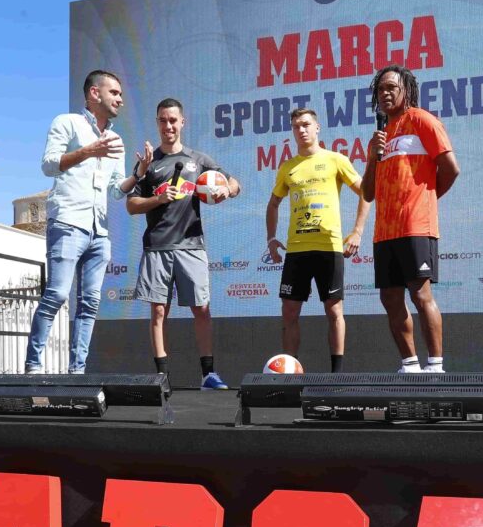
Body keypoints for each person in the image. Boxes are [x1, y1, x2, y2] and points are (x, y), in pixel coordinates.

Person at [24, 69, 149, 374]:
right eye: (114, 92)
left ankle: (77, 371)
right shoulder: (67, 123)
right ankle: (33, 365)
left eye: (120, 94)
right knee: (56, 294)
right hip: (67, 221)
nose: (119, 99)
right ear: (95, 93)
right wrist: (86, 151)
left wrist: (138, 175)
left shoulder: (116, 139)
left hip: (99, 231)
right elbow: (49, 166)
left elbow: (115, 189)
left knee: (90, 305)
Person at [127, 98, 240, 390]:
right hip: (157, 247)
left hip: (192, 246)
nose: (168, 126)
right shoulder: (148, 164)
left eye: (173, 120)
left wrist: (228, 189)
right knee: (158, 312)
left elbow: (234, 182)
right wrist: (158, 199)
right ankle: (162, 377)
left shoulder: (199, 160)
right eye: (163, 120)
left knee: (202, 309)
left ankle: (208, 375)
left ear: (182, 122)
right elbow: (132, 205)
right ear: (157, 123)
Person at [362, 65, 460, 373]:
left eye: (392, 87)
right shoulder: (378, 137)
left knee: (420, 293)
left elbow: (450, 169)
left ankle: (435, 366)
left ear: (407, 91)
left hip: (415, 226)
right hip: (384, 232)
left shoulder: (422, 121)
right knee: (390, 298)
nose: (386, 93)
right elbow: (367, 192)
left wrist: (425, 201)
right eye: (381, 89)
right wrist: (371, 157)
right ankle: (410, 366)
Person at [265, 108, 369, 372]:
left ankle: (337, 375)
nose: (301, 130)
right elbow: (273, 203)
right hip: (297, 251)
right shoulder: (288, 167)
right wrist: (271, 238)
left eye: (306, 124)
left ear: (317, 127)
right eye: (296, 126)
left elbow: (367, 193)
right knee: (289, 313)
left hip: (329, 248)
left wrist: (357, 231)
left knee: (334, 312)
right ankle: (289, 373)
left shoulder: (336, 159)